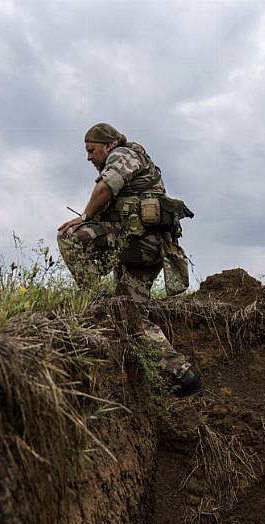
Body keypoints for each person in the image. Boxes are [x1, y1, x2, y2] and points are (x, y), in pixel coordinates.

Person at [57, 123, 202, 396]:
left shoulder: (122, 155)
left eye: (92, 150)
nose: (89, 157)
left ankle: (90, 298)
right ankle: (184, 379)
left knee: (70, 235)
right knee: (130, 317)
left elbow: (106, 188)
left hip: (139, 245)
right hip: (146, 250)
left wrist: (86, 217)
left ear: (108, 145)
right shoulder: (134, 159)